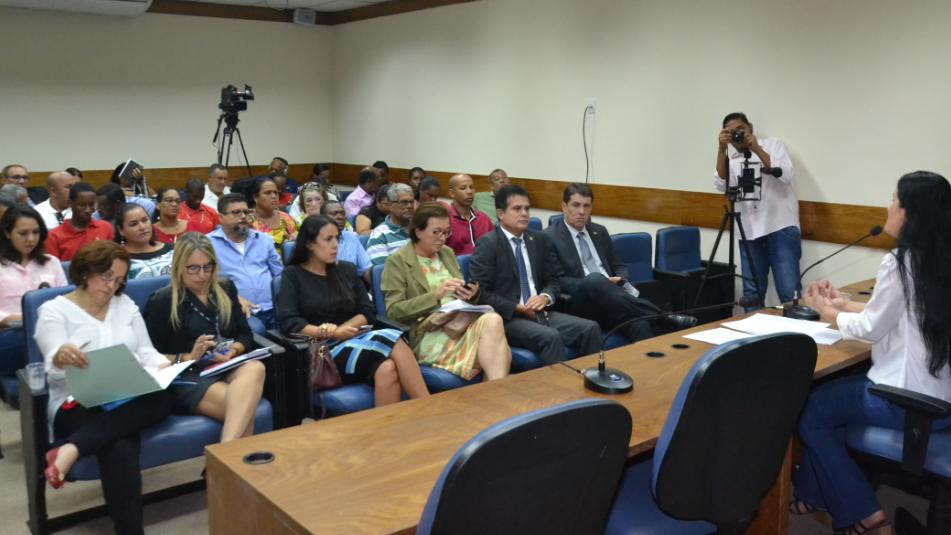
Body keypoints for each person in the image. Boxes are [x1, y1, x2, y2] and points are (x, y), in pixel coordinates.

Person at [792, 171, 951, 535]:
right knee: (833, 400)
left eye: (894, 200)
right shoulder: (938, 260)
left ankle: (866, 514)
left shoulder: (901, 261)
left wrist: (826, 312)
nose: (889, 207)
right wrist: (843, 303)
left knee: (810, 408)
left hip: (907, 402)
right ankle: (813, 495)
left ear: (910, 212)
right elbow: (905, 314)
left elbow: (871, 329)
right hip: (941, 401)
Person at [35, 241, 175, 534]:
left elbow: (146, 351)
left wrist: (163, 366)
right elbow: (52, 363)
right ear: (86, 271)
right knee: (119, 444)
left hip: (125, 394)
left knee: (165, 395)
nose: (112, 286)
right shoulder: (54, 311)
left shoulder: (125, 305)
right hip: (77, 400)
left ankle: (72, 448)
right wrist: (61, 357)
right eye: (107, 276)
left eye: (119, 280)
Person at [277, 215, 429, 406]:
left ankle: (387, 425)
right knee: (393, 338)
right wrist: (330, 333)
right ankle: (427, 406)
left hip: (356, 341)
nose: (335, 245)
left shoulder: (347, 270)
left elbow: (367, 311)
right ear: (309, 244)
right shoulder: (293, 275)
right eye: (328, 239)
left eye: (337, 238)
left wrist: (344, 329)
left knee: (388, 368)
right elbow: (289, 321)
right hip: (323, 351)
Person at [144, 232, 265, 443]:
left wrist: (234, 349)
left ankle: (221, 457)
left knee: (256, 368)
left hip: (223, 365)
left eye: (207, 267)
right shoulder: (162, 301)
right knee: (243, 406)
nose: (202, 275)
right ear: (179, 267)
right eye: (193, 268)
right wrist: (190, 356)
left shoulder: (224, 287)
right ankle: (225, 454)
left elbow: (244, 333)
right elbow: (151, 356)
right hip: (187, 374)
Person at [469, 185, 601, 364]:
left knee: (590, 328)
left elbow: (553, 280)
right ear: (500, 214)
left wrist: (545, 297)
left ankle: (589, 377)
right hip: (508, 317)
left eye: (527, 208)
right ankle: (557, 383)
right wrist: (517, 308)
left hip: (540, 312)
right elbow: (480, 293)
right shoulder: (488, 244)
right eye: (517, 209)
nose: (524, 214)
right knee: (551, 337)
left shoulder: (537, 239)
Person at [382, 203, 511, 381]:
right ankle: (498, 390)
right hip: (429, 330)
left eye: (446, 232)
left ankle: (494, 390)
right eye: (436, 232)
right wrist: (435, 295)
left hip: (460, 321)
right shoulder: (397, 262)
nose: (442, 238)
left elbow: (459, 292)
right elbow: (394, 311)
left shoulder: (447, 253)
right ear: (418, 232)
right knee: (497, 344)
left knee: (494, 327)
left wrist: (470, 294)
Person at [545, 183, 661, 341]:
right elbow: (558, 281)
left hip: (612, 301)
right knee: (594, 279)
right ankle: (661, 315)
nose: (581, 211)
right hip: (581, 304)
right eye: (576, 205)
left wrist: (620, 279)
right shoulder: (549, 237)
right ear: (564, 207)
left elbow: (619, 266)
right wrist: (599, 283)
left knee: (639, 324)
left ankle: (650, 355)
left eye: (586, 206)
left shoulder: (599, 231)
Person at [714, 112, 798, 306]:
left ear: (750, 127)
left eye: (740, 129)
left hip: (780, 227)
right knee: (752, 294)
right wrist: (721, 149)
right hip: (749, 231)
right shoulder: (731, 159)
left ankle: (793, 326)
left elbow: (786, 175)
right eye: (731, 132)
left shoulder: (774, 145)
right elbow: (721, 184)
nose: (737, 135)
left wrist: (756, 149)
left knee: (789, 291)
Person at [0, 205, 67, 403]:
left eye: (36, 232)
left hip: (50, 330)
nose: (31, 239)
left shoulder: (51, 262)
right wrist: (22, 319)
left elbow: (65, 300)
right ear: (7, 233)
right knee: (29, 337)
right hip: (10, 335)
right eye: (23, 233)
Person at [209, 193, 283, 334]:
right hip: (239, 310)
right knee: (256, 330)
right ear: (220, 218)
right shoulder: (208, 244)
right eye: (236, 212)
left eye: (246, 211)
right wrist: (233, 298)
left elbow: (280, 275)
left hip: (273, 306)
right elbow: (206, 284)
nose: (243, 216)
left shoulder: (263, 239)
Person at [46, 183, 115, 261]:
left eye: (91, 205)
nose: (88, 210)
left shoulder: (105, 228)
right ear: (70, 203)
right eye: (82, 205)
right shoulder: (54, 236)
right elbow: (53, 266)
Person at [115, 203, 173, 279]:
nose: (142, 227)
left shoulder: (173, 251)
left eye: (145, 220)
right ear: (121, 230)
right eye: (134, 224)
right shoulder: (116, 259)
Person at [321, 201, 371, 283]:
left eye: (343, 213)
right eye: (334, 213)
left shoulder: (351, 237)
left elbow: (366, 269)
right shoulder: (315, 240)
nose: (340, 217)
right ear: (322, 217)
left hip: (350, 285)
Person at [366, 183, 415, 265]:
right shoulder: (379, 235)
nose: (409, 206)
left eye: (411, 202)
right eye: (404, 202)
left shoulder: (420, 228)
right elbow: (383, 270)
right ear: (390, 205)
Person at [445, 174, 493, 255]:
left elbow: (494, 245)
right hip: (455, 262)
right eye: (463, 188)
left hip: (484, 261)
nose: (469, 192)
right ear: (452, 193)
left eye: (471, 187)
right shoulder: (445, 219)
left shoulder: (483, 218)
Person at [249, 176, 297, 252]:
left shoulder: (286, 218)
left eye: (276, 192)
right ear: (255, 197)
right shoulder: (248, 222)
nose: (274, 196)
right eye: (268, 193)